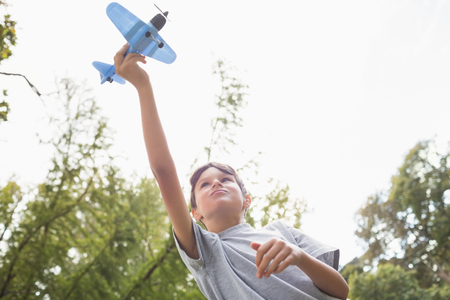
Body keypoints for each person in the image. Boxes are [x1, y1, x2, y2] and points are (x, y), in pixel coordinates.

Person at [114, 44, 349, 300]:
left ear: (246, 199)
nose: (215, 183)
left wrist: (299, 256)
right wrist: (143, 86)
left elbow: (341, 290)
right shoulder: (205, 250)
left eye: (225, 179)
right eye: (203, 185)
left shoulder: (283, 232)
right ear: (195, 213)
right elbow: (163, 172)